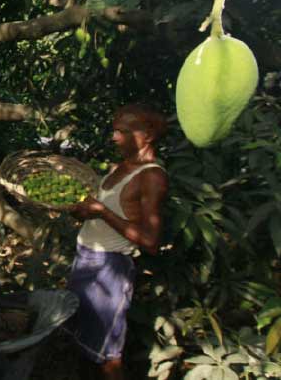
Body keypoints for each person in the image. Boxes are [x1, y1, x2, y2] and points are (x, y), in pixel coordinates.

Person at [68, 104, 169, 380]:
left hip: (110, 267)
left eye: (122, 132)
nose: (114, 137)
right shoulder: (119, 168)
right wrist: (81, 210)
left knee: (108, 354)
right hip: (85, 259)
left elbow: (150, 241)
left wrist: (102, 211)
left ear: (148, 135)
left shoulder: (152, 177)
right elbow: (102, 214)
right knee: (85, 336)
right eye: (114, 130)